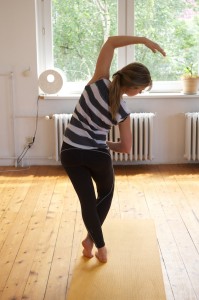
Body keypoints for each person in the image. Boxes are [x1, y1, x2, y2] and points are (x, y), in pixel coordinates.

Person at [61, 36, 166, 263]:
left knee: (87, 202)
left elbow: (109, 43)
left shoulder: (98, 81)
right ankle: (94, 243)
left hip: (69, 151)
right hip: (97, 155)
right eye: (142, 89)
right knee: (105, 194)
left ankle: (96, 244)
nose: (141, 93)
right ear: (134, 87)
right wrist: (104, 142)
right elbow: (126, 148)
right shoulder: (123, 111)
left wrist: (143, 40)